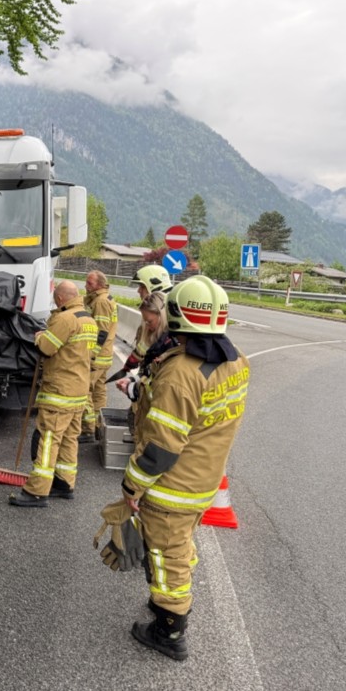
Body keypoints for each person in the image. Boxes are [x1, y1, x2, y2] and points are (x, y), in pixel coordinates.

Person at [115, 275, 250, 661]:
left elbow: (161, 448)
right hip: (203, 480)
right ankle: (169, 604)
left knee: (166, 554)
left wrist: (131, 486)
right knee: (180, 544)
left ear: (175, 315)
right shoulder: (236, 361)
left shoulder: (181, 373)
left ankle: (169, 630)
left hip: (172, 487)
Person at [8, 280, 97, 506]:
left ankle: (37, 491)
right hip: (79, 391)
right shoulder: (88, 320)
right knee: (69, 439)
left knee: (48, 440)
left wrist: (39, 335)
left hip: (60, 391)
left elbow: (46, 348)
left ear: (60, 298)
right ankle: (64, 483)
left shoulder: (65, 319)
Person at [115, 292, 176, 444]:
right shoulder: (157, 339)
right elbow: (148, 371)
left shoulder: (170, 345)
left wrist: (132, 388)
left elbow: (159, 384)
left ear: (162, 316)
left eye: (149, 322)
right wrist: (133, 380)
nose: (147, 326)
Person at [79, 270, 118, 444]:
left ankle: (87, 429)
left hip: (97, 357)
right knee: (99, 393)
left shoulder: (100, 302)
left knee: (85, 390)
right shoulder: (104, 298)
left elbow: (101, 332)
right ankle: (98, 427)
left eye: (90, 283)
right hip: (105, 356)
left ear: (100, 285)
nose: (86, 286)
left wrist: (91, 354)